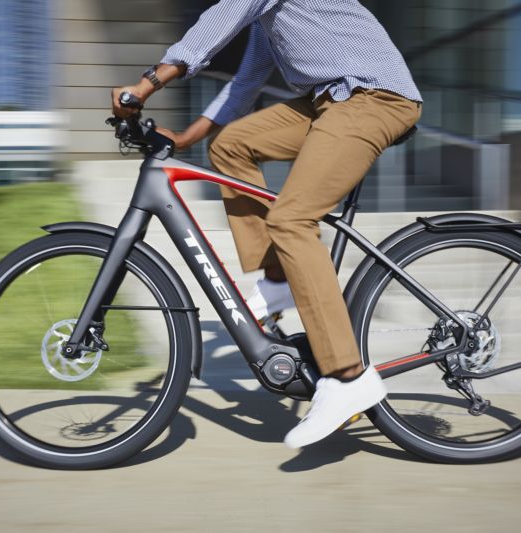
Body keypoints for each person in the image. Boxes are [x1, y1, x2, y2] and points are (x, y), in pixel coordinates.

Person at [112, 0, 422, 449]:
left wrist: (147, 83)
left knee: (292, 219)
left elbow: (219, 21)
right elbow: (244, 84)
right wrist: (185, 138)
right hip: (332, 101)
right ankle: (277, 281)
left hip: (373, 98)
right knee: (232, 145)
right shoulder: (268, 18)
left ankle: (347, 376)